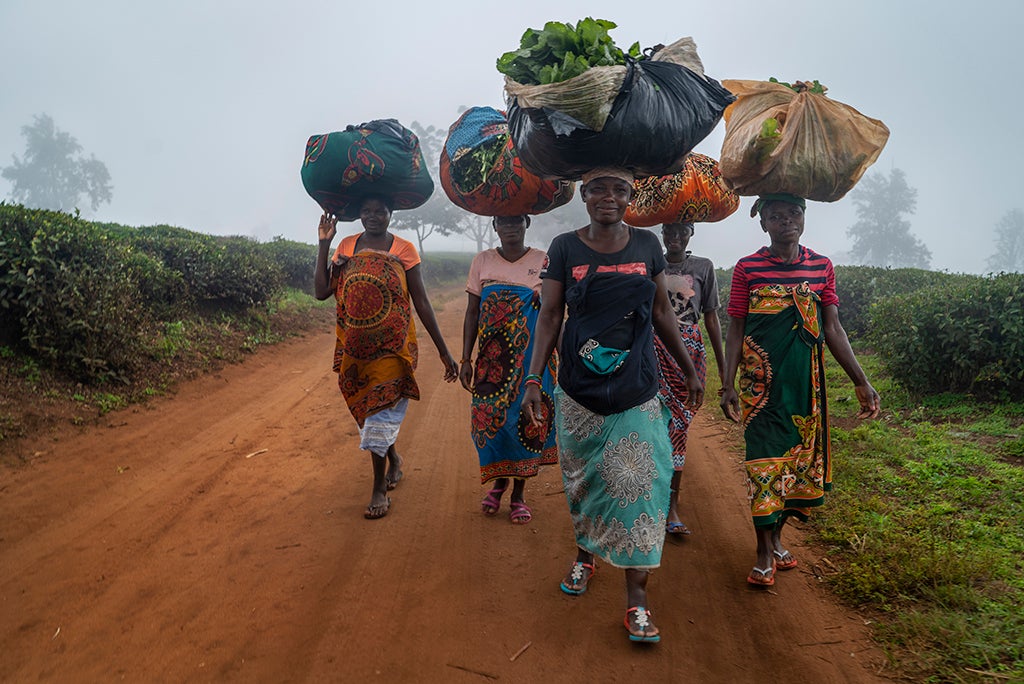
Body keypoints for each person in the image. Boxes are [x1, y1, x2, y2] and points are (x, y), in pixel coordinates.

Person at [521, 168, 704, 643]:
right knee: (586, 482)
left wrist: (687, 369)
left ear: (630, 196)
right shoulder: (565, 247)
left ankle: (637, 601)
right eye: (598, 188)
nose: (608, 197)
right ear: (583, 196)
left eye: (619, 189)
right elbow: (550, 316)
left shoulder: (647, 246)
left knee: (641, 481)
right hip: (579, 388)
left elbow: (662, 311)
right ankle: (585, 555)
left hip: (636, 388)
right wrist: (533, 379)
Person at [719, 193, 880, 587]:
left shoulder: (821, 267)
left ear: (804, 218)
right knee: (764, 461)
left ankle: (776, 536)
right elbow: (735, 329)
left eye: (793, 213)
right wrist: (727, 385)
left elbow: (832, 328)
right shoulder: (747, 268)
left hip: (805, 386)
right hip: (761, 386)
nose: (786, 221)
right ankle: (762, 550)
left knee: (797, 463)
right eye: (775, 216)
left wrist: (861, 380)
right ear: (763, 224)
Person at [314, 195, 458, 520]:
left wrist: (444, 350)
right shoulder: (347, 247)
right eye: (366, 210)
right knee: (368, 413)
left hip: (393, 349)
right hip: (355, 351)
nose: (373, 216)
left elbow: (420, 301)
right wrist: (325, 243)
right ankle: (393, 458)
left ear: (392, 213)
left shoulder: (404, 249)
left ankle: (378, 489)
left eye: (380, 211)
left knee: (379, 412)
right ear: (359, 214)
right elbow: (321, 291)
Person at [459, 215, 557, 524]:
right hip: (491, 362)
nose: (510, 227)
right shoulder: (483, 261)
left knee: (526, 422)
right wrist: (465, 359)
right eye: (504, 222)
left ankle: (517, 494)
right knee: (489, 420)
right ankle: (499, 482)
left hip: (533, 360)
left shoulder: (543, 260)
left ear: (527, 222)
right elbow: (472, 312)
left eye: (517, 222)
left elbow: (555, 311)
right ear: (494, 226)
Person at [656, 222, 726, 537]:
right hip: (653, 350)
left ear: (691, 233)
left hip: (692, 352)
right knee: (652, 426)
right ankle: (649, 499)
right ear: (661, 234)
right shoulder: (650, 263)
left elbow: (711, 317)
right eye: (669, 232)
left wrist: (725, 371)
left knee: (679, 427)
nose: (675, 238)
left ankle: (671, 506)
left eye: (681, 231)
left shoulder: (703, 267)